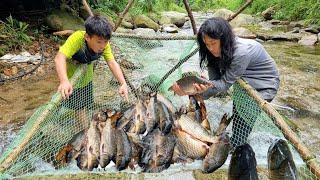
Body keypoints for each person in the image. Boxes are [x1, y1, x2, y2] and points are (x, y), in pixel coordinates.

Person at [171, 17, 280, 147]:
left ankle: (237, 146)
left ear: (224, 39)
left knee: (242, 121)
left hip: (263, 84)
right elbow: (214, 81)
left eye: (213, 43)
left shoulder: (241, 52)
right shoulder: (213, 51)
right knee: (238, 113)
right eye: (207, 44)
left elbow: (223, 85)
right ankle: (234, 141)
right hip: (242, 81)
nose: (210, 48)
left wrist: (199, 89)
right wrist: (193, 90)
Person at [54, 15, 129, 126]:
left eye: (105, 41)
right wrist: (64, 81)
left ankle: (85, 126)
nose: (103, 46)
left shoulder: (104, 44)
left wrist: (123, 83)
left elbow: (112, 62)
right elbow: (59, 58)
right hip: (73, 82)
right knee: (78, 109)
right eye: (99, 42)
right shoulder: (77, 38)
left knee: (85, 105)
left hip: (87, 79)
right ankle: (84, 130)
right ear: (87, 37)